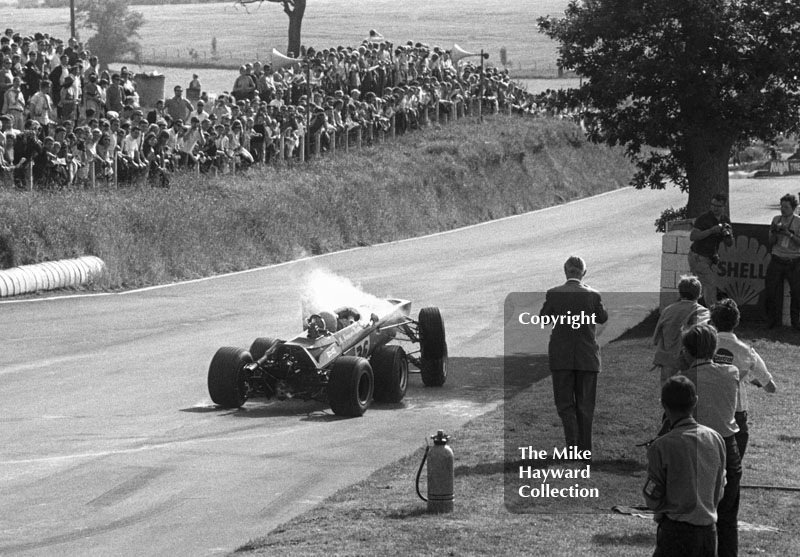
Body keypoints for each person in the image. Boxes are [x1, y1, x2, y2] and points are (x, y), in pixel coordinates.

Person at [644, 376, 726, 557]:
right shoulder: (716, 439)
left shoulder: (662, 446)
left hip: (676, 532)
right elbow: (720, 487)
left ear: (663, 405)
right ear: (695, 402)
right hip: (708, 532)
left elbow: (653, 496)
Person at [679, 323, 741, 557]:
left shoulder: (685, 379)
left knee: (697, 517)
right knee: (727, 518)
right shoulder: (731, 373)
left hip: (698, 446)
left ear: (688, 350)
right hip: (728, 445)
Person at [539, 256, 609, 457]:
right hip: (587, 355)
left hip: (561, 355)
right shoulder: (593, 295)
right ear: (583, 273)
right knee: (585, 404)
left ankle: (572, 446)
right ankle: (584, 448)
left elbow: (544, 317)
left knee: (565, 403)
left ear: (565, 271)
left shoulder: (554, 294)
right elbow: (602, 318)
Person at [710, 299, 777, 460]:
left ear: (713, 321)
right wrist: (757, 382)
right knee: (734, 466)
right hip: (735, 408)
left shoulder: (704, 345)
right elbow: (770, 387)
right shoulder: (747, 351)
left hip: (708, 405)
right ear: (736, 322)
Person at [653, 275, 710, 386]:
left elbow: (656, 338)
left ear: (680, 292)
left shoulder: (667, 310)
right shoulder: (702, 312)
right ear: (699, 294)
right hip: (688, 362)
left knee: (667, 396)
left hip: (667, 361)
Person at [689, 193, 734, 306]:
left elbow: (729, 243)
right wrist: (711, 231)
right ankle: (712, 314)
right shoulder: (704, 219)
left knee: (699, 287)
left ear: (724, 207)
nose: (715, 208)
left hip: (709, 259)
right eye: (713, 205)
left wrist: (727, 234)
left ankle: (689, 309)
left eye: (718, 206)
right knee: (710, 285)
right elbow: (693, 236)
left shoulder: (725, 220)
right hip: (697, 256)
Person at [764, 193, 800, 329]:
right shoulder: (776, 219)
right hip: (777, 258)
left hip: (794, 261)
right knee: (770, 291)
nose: (782, 209)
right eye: (781, 206)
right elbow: (771, 242)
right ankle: (772, 322)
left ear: (793, 208)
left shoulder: (798, 221)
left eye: (786, 207)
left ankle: (795, 323)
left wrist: (789, 234)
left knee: (797, 293)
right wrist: (774, 232)